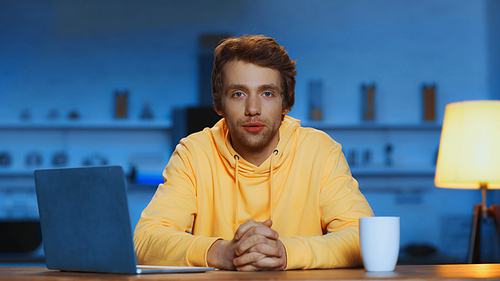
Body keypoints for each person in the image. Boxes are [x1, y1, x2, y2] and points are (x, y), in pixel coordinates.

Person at [134, 35, 374, 271]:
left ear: (286, 103)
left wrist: (285, 253)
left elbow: (364, 237)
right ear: (219, 104)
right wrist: (220, 253)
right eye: (238, 93)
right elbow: (144, 240)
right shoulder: (194, 153)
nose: (253, 109)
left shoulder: (320, 151)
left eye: (267, 93)